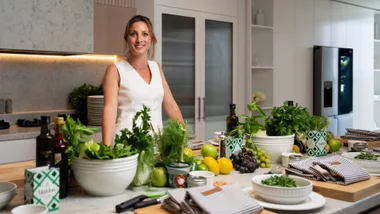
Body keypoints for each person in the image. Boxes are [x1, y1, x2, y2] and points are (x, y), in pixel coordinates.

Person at [102, 15, 184, 146]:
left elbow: (171, 106)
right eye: (133, 34)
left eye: (145, 34)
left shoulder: (156, 68)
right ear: (127, 39)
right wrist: (106, 149)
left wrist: (183, 139)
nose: (139, 39)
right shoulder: (115, 70)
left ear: (151, 38)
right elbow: (109, 110)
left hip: (156, 146)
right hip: (127, 145)